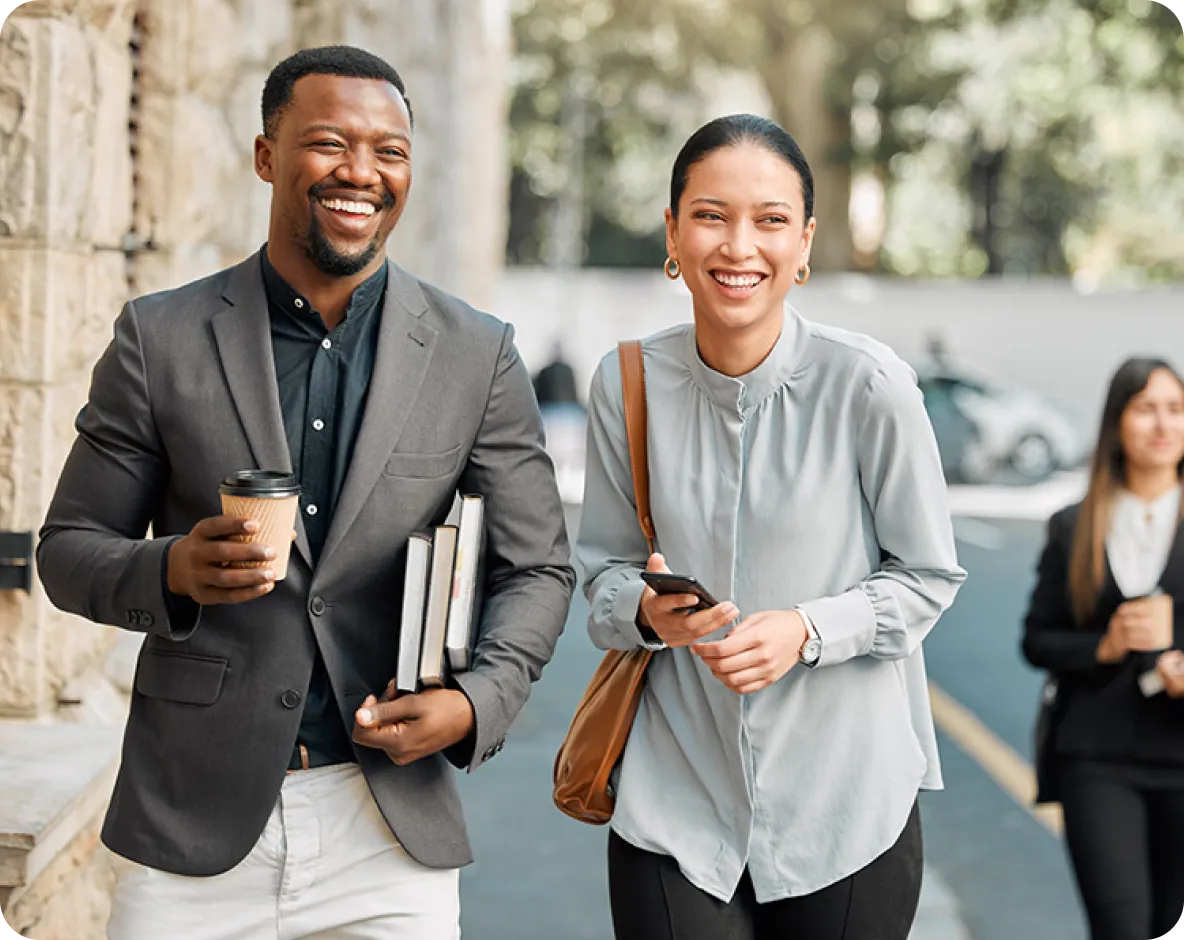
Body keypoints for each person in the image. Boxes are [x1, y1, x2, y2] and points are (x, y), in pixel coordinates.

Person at [36, 45, 574, 940]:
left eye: (390, 152)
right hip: (190, 828)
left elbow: (538, 569)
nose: (362, 172)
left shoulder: (476, 353)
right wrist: (173, 570)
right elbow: (66, 551)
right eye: (330, 143)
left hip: (389, 839)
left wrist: (478, 699)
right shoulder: (159, 338)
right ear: (266, 156)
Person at [575, 113, 966, 940]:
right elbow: (602, 572)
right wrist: (645, 610)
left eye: (771, 219)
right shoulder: (626, 382)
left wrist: (808, 630)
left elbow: (928, 575)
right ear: (673, 233)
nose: (739, 246)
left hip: (846, 809)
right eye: (711, 215)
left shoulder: (870, 385)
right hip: (675, 804)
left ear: (805, 241)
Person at [1022, 358, 1184, 940]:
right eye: (1145, 409)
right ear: (1117, 423)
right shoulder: (1075, 525)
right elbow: (1036, 639)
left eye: (1175, 409)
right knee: (1121, 927)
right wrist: (1107, 646)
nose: (1162, 424)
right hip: (1097, 757)